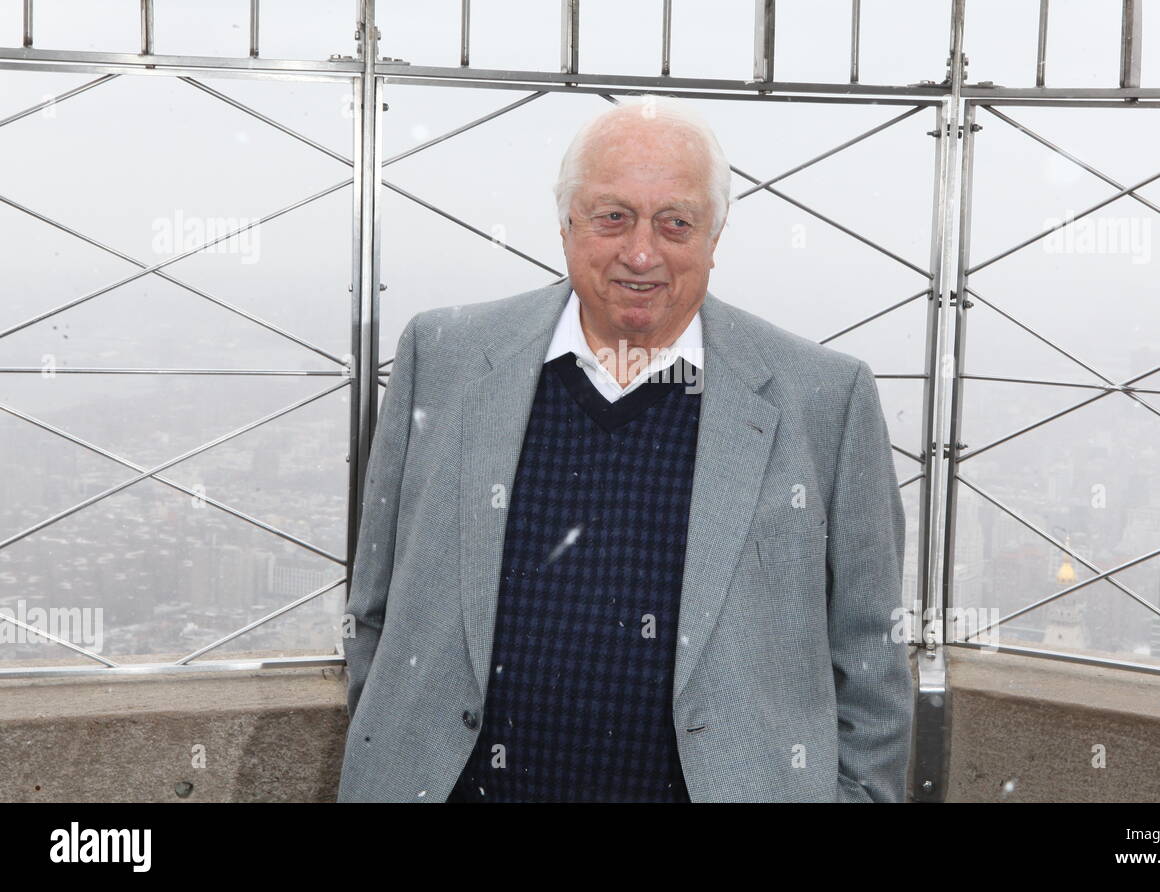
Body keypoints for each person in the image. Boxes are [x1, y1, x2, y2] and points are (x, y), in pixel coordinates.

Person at [336, 94, 913, 802]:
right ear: (566, 223)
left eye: (676, 222)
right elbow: (375, 608)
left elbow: (871, 661)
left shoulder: (827, 398)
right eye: (613, 217)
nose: (641, 252)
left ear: (714, 236)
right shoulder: (443, 356)